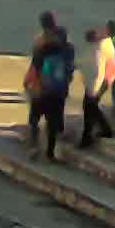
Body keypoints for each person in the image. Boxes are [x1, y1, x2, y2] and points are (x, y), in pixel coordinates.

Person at [24, 15, 74, 160]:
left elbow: (33, 71)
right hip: (58, 92)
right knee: (53, 123)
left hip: (41, 91)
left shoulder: (41, 50)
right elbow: (70, 71)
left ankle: (34, 147)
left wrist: (28, 86)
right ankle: (51, 153)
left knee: (34, 120)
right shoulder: (68, 51)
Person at [76, 21, 115, 148]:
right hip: (97, 82)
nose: (101, 30)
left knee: (89, 107)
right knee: (90, 107)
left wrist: (100, 86)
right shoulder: (104, 43)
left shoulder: (104, 45)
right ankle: (103, 130)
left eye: (105, 28)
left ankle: (88, 137)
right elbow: (89, 36)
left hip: (99, 83)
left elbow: (106, 67)